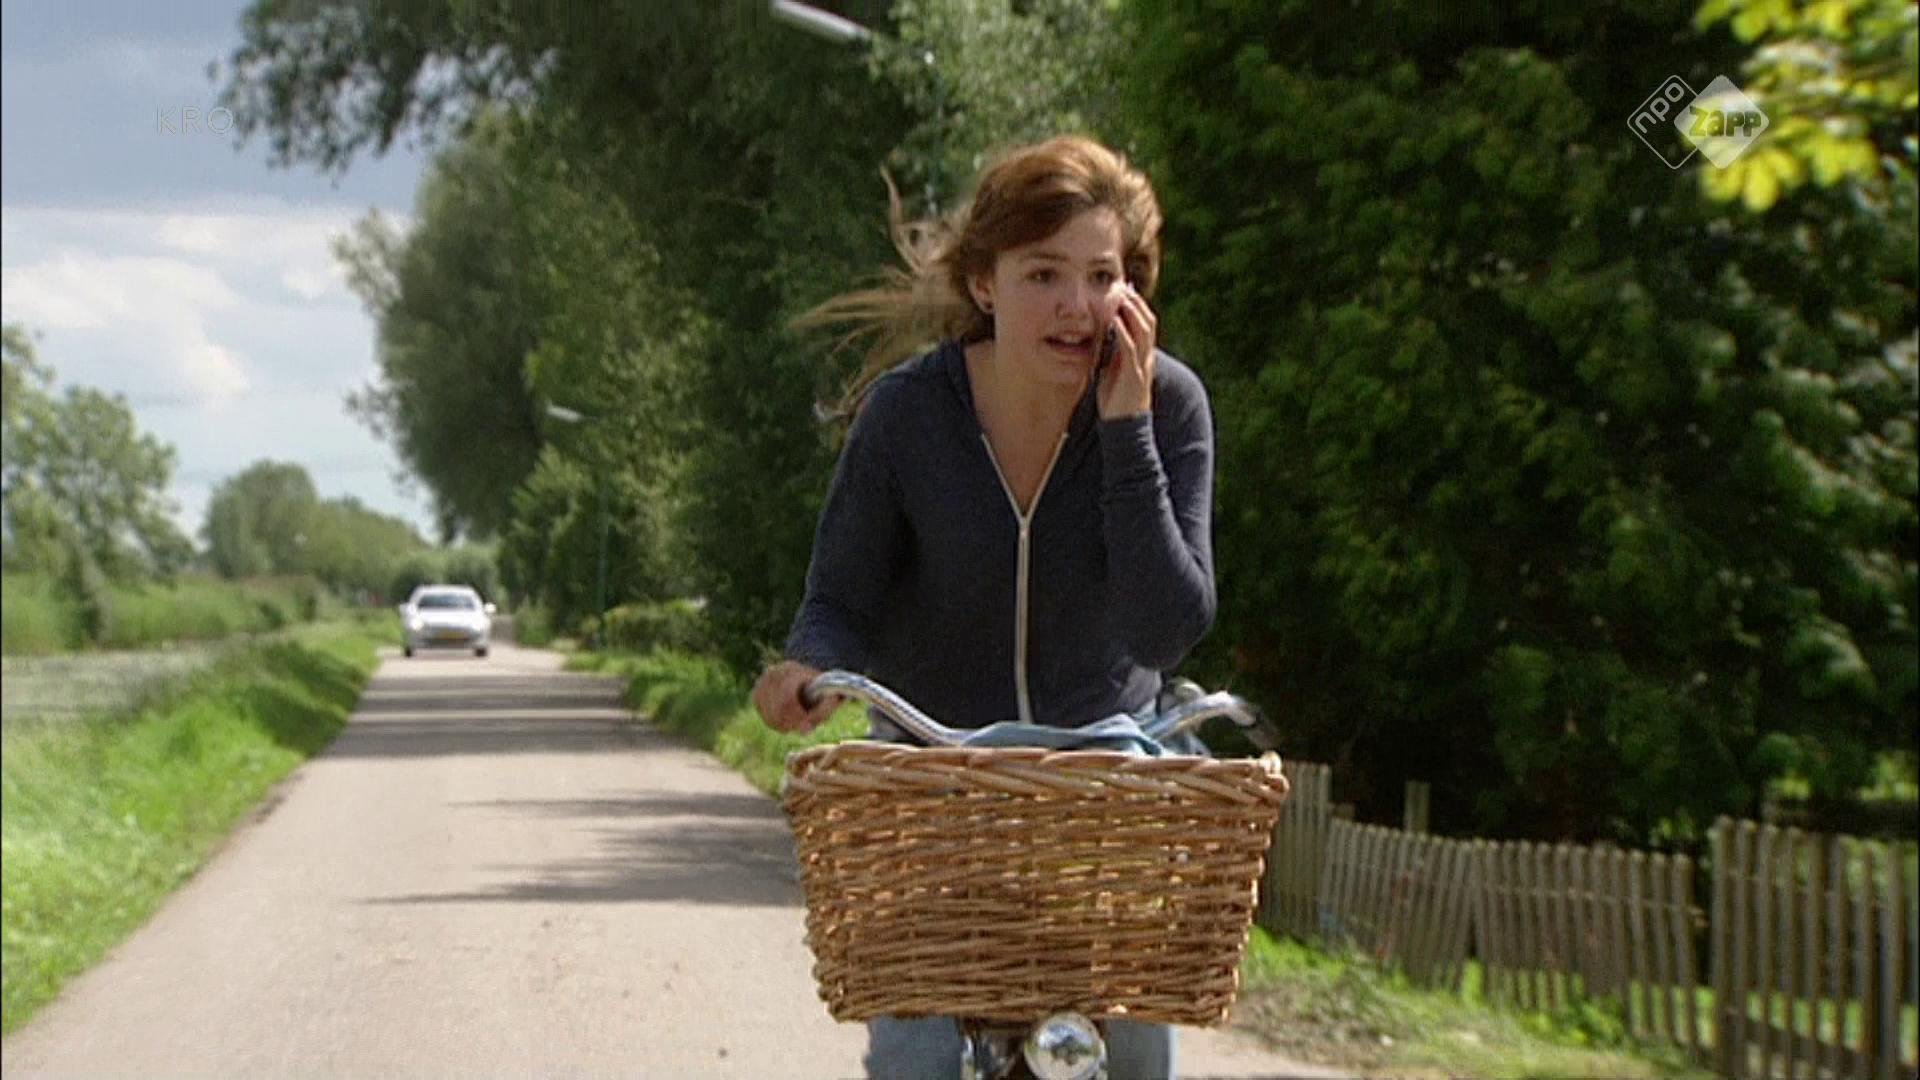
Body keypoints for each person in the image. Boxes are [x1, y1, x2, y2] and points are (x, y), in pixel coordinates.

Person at [752, 134, 1216, 1080]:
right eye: (1044, 273)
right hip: (936, 772)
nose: (1078, 305)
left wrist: (1126, 431)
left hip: (1102, 774)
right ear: (984, 284)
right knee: (916, 1050)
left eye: (1102, 276)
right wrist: (808, 668)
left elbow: (1166, 628)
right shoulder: (906, 415)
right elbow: (840, 597)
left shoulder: (1169, 406)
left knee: (1138, 1042)